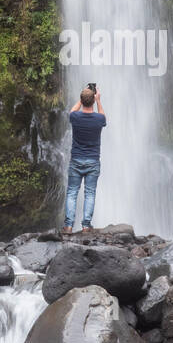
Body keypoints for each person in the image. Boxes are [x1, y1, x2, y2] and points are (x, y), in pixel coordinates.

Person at [63, 85, 106, 233]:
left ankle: (68, 225)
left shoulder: (75, 117)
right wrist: (98, 100)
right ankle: (86, 226)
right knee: (90, 193)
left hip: (76, 160)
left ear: (81, 100)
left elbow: (72, 111)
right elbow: (103, 116)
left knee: (72, 193)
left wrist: (81, 99)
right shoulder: (99, 119)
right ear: (93, 100)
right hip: (93, 161)